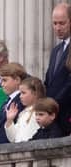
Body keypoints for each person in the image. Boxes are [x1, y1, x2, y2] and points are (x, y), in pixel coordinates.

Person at [0, 62, 27, 144]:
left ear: (17, 80)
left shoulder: (21, 101)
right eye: (0, 80)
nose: (1, 84)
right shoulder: (6, 102)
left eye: (5, 80)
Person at [44, 2, 71, 136]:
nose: (58, 28)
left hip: (67, 114)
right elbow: (49, 80)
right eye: (55, 24)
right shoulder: (56, 50)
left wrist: (53, 103)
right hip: (53, 118)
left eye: (62, 23)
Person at [5, 77, 45, 143]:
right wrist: (9, 120)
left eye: (23, 93)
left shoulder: (40, 111)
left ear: (35, 93)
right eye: (20, 93)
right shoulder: (23, 113)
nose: (20, 96)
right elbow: (13, 138)